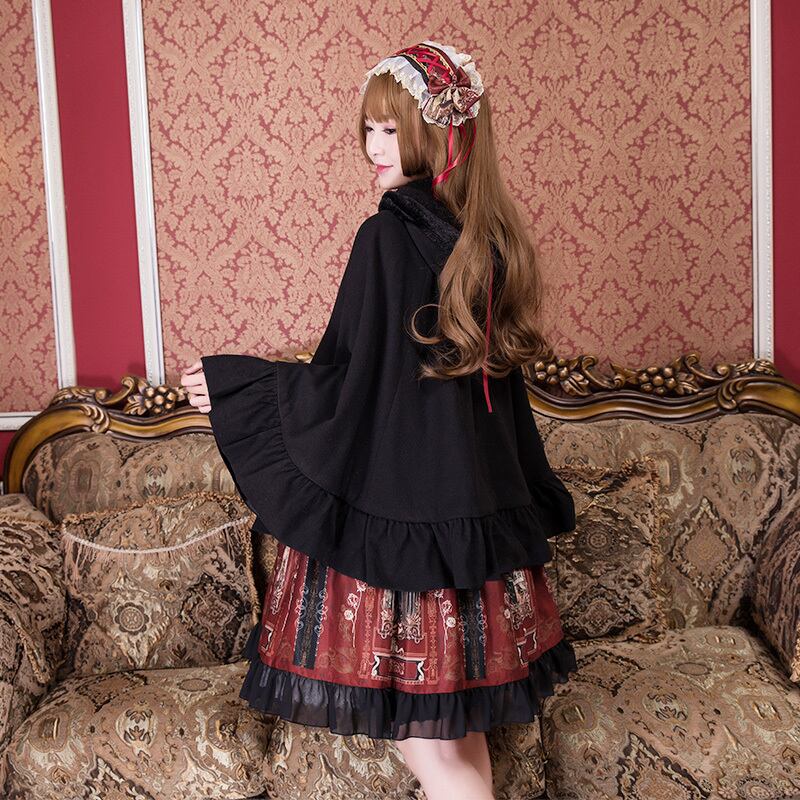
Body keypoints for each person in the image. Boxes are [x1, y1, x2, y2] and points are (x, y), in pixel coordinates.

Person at [181, 40, 578, 800]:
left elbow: (353, 385)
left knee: (435, 749)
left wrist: (241, 388)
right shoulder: (485, 243)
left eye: (391, 130)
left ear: (438, 133)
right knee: (458, 742)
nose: (372, 147)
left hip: (408, 543)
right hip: (471, 542)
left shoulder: (388, 236)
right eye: (368, 128)